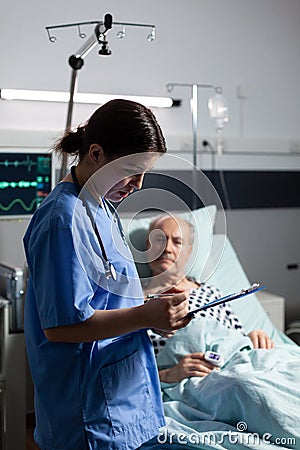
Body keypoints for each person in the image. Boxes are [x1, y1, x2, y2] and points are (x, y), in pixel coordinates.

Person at [23, 100, 191, 450]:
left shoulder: (103, 208)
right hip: (87, 411)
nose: (139, 185)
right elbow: (61, 326)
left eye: (145, 173)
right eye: (132, 170)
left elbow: (111, 296)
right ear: (96, 153)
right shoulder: (62, 219)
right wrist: (143, 315)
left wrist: (154, 311)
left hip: (123, 398)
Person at [143, 214, 274, 383]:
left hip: (239, 366)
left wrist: (254, 336)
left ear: (189, 251)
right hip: (195, 382)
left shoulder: (211, 293)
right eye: (160, 239)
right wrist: (168, 375)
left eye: (177, 241)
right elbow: (127, 369)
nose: (167, 248)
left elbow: (236, 339)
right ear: (147, 246)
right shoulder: (135, 301)